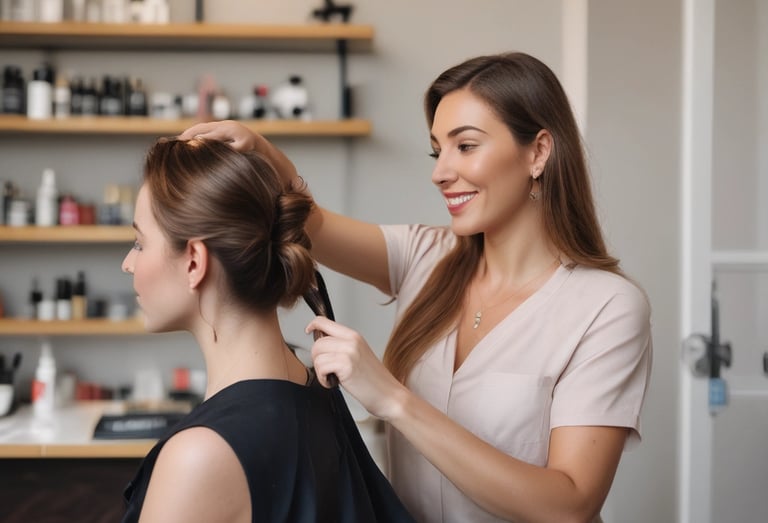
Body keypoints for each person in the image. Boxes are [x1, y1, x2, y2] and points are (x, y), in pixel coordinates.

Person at [180, 51, 653, 523]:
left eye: (465, 146)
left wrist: (392, 399)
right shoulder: (425, 256)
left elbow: (570, 504)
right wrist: (263, 152)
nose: (440, 172)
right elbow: (313, 224)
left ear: (538, 152)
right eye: (437, 149)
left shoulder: (606, 307)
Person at [119, 137, 414, 522]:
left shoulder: (198, 458)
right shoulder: (312, 387)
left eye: (139, 243)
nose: (128, 263)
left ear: (194, 262)